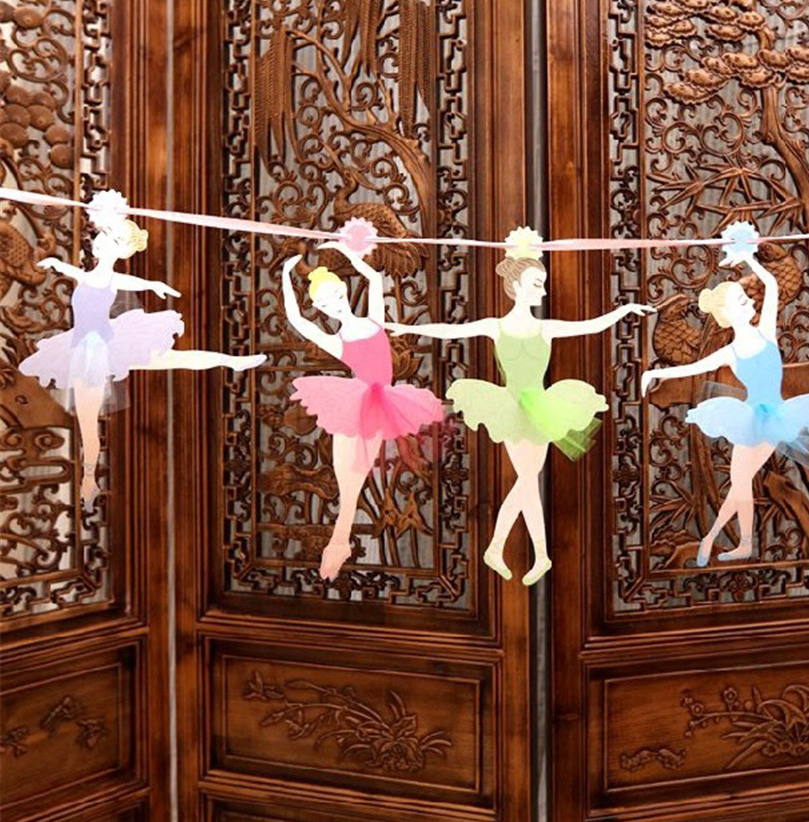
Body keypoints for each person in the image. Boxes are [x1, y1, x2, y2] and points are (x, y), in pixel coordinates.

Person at [388, 229, 654, 585]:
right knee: (528, 479)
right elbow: (450, 331)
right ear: (515, 286)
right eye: (536, 284)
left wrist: (624, 310)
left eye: (542, 284)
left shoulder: (546, 328)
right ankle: (512, 550)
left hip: (541, 406)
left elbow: (590, 327)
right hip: (511, 407)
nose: (542, 291)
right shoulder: (495, 326)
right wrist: (401, 326)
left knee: (529, 480)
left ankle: (527, 554)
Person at [20, 190, 264, 504]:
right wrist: (57, 263)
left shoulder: (109, 277)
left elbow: (123, 281)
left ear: (120, 248)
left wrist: (152, 285)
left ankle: (231, 361)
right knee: (88, 422)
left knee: (172, 360)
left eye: (111, 236)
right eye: (104, 233)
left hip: (104, 347)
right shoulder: (94, 275)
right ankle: (89, 479)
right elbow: (81, 274)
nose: (102, 238)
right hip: (85, 348)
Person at [641, 245, 809, 566]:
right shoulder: (729, 352)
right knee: (740, 483)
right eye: (739, 301)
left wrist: (748, 258)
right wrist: (653, 373)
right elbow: (693, 368)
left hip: (774, 418)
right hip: (750, 419)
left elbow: (771, 285)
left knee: (740, 481)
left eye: (745, 298)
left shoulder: (767, 332)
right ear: (727, 316)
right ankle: (727, 540)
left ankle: (721, 539)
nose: (747, 302)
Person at [282, 240, 444, 580]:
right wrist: (285, 274)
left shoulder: (374, 320)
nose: (335, 305)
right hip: (355, 402)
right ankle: (340, 541)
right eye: (326, 304)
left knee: (356, 475)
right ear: (321, 309)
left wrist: (348, 252)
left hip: (383, 402)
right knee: (347, 475)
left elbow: (373, 278)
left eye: (336, 296)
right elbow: (298, 320)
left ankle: (339, 542)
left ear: (344, 290)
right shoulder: (337, 340)